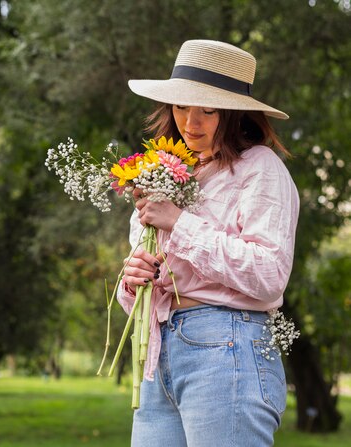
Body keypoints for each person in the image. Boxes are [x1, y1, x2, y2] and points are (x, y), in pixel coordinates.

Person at [117, 39, 300, 446]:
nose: (190, 122)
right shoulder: (166, 175)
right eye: (181, 106)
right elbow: (146, 286)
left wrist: (179, 223)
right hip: (158, 354)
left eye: (208, 110)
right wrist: (132, 280)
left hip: (226, 348)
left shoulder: (260, 169)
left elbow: (269, 274)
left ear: (235, 113)